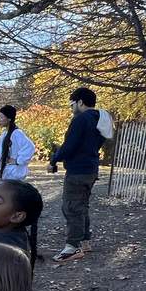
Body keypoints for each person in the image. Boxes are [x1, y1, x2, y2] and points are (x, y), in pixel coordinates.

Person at [48, 87, 107, 262]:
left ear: (80, 102)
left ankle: (72, 247)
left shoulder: (80, 119)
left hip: (77, 171)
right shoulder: (99, 120)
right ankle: (85, 241)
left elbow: (69, 146)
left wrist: (54, 159)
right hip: (91, 169)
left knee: (72, 207)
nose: (71, 108)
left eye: (72, 104)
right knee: (82, 205)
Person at [0, 105, 36, 182]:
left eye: (1, 117)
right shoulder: (4, 135)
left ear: (9, 118)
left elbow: (30, 147)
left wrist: (18, 161)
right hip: (5, 175)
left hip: (14, 175)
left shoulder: (17, 133)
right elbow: (1, 156)